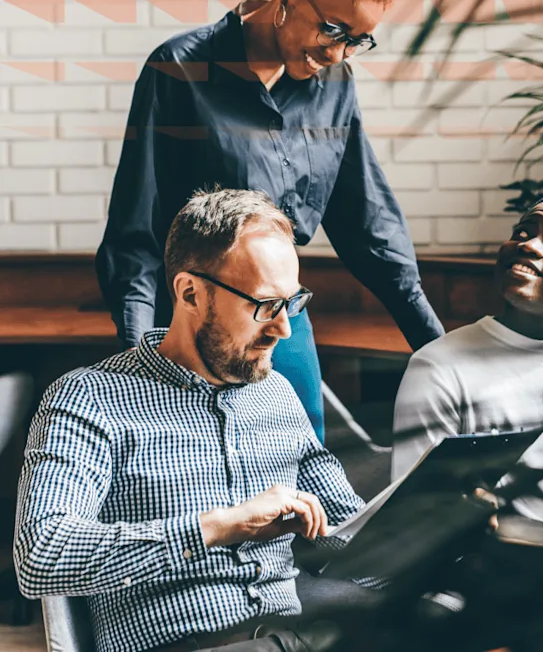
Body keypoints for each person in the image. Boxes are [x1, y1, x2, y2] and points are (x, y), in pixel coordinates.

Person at [95, 0, 445, 442]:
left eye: (358, 40)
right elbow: (136, 228)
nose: (339, 54)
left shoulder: (335, 86)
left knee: (304, 471)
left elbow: (367, 221)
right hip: (196, 326)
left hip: (285, 320)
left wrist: (438, 350)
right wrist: (137, 355)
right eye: (332, 29)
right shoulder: (178, 70)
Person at [14, 189, 368, 652]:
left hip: (299, 640)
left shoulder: (277, 394)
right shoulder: (89, 398)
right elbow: (42, 554)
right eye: (264, 305)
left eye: (293, 302)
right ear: (189, 293)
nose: (283, 328)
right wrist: (217, 527)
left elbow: (353, 533)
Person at [392, 194, 543, 527]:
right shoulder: (438, 366)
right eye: (522, 233)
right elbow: (415, 514)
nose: (529, 245)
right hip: (503, 563)